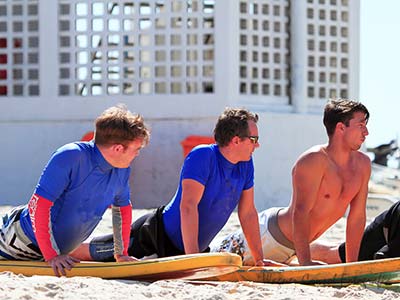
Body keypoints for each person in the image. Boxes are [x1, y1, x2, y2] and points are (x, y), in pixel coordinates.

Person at [72, 107, 268, 266]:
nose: (257, 146)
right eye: (254, 139)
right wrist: (193, 260)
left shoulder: (245, 165)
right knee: (96, 252)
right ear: (235, 140)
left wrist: (259, 260)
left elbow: (248, 212)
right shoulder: (203, 156)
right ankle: (51, 252)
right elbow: (188, 206)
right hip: (155, 235)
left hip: (190, 249)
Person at [212, 99, 371, 266]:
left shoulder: (363, 165)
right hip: (270, 236)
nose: (366, 132)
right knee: (215, 260)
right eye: (361, 125)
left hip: (298, 246)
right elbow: (300, 212)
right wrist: (306, 262)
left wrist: (352, 265)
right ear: (341, 128)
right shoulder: (314, 160)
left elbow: (357, 217)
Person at [0, 105, 150, 276]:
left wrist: (121, 254)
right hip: (20, 240)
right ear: (118, 148)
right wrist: (52, 256)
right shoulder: (71, 156)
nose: (137, 154)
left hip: (54, 250)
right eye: (136, 149)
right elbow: (39, 206)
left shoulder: (121, 169)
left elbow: (121, 210)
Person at [308, 200, 400, 264]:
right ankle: (300, 252)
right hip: (387, 230)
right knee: (334, 255)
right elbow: (382, 256)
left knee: (340, 249)